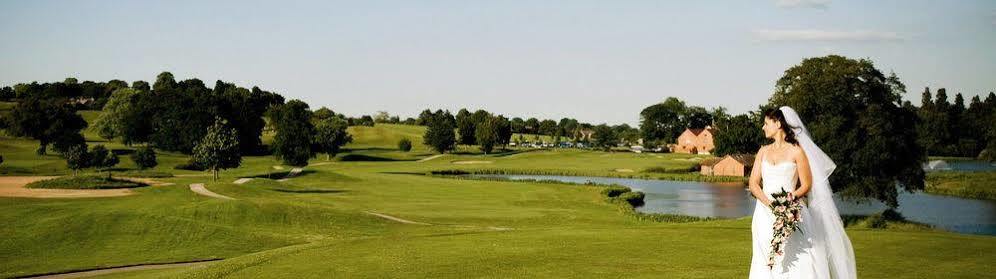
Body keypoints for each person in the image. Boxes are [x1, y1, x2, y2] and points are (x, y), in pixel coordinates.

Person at [748, 106, 856, 279]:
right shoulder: (763, 151)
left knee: (798, 257)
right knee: (764, 258)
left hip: (792, 211)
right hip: (763, 214)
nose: (763, 127)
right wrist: (771, 205)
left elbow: (806, 184)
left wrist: (788, 201)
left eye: (766, 123)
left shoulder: (797, 151)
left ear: (778, 123)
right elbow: (753, 184)